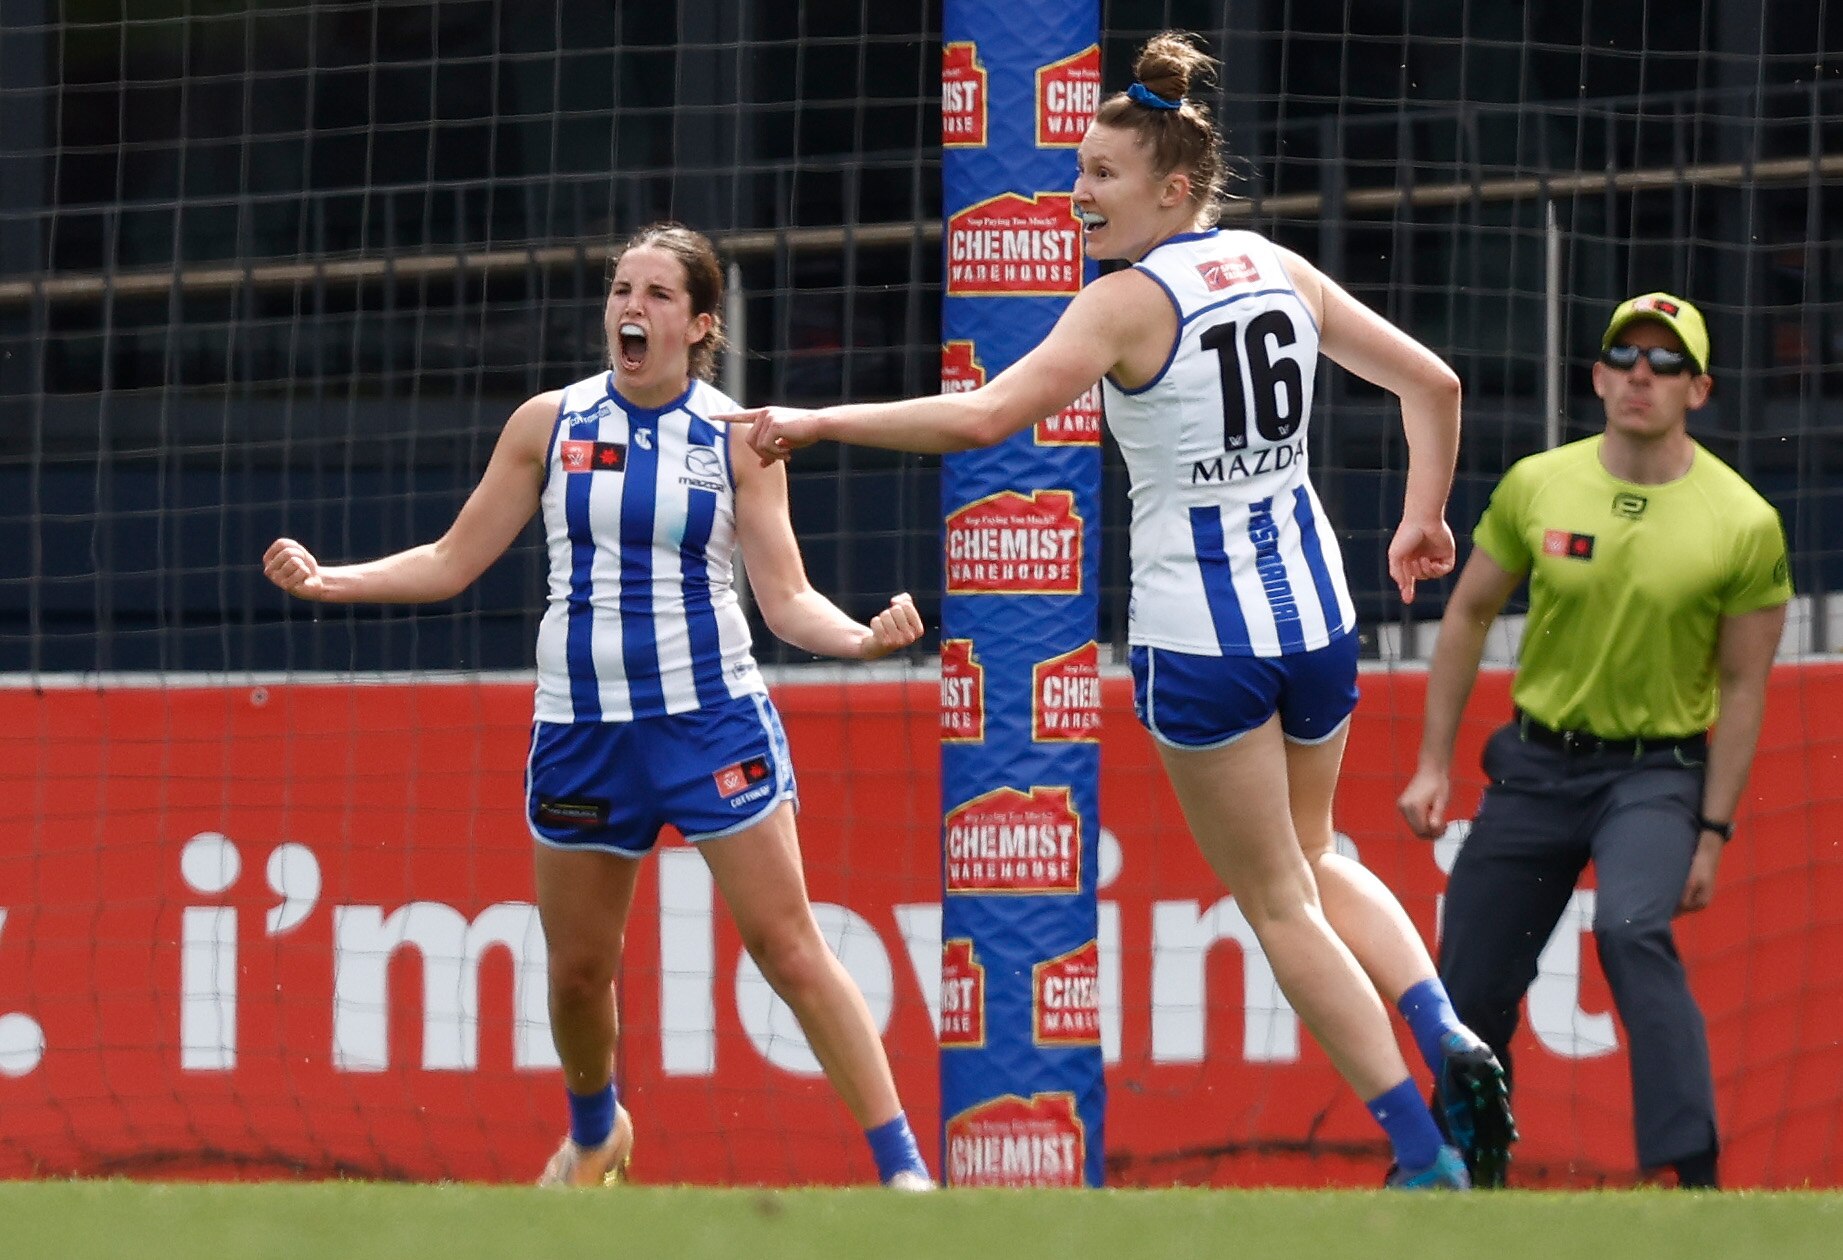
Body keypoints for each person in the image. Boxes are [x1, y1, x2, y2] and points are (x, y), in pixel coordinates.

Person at [718, 33, 1512, 1190]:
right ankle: (1444, 1026)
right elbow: (1432, 384)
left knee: (1279, 899)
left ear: (1170, 188)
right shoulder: (1271, 265)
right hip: (1316, 618)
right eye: (1077, 168)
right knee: (1318, 850)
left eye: (1098, 175)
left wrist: (823, 419)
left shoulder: (1122, 306)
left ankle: (1420, 1153)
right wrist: (1420, 521)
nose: (1074, 192)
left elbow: (983, 421)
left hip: (1202, 636)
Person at [262, 222, 935, 1191]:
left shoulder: (741, 439)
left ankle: (904, 1175)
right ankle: (595, 1135)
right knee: (580, 972)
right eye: (623, 288)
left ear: (701, 323)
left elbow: (785, 599)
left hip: (711, 721)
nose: (632, 307)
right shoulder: (551, 422)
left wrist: (862, 639)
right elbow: (453, 561)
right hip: (580, 733)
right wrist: (332, 580)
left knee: (788, 948)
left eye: (659, 295)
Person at [1396, 292, 1792, 1189]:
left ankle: (1689, 1176)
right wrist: (1431, 765)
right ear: (1597, 377)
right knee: (1470, 982)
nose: (1640, 377)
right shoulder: (1539, 483)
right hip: (1536, 765)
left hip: (1655, 774)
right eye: (1625, 358)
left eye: (1664, 364)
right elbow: (1465, 614)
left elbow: (1741, 686)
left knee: (1629, 929)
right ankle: (1458, 1167)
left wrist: (1713, 831)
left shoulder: (1744, 521)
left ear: (1699, 389)